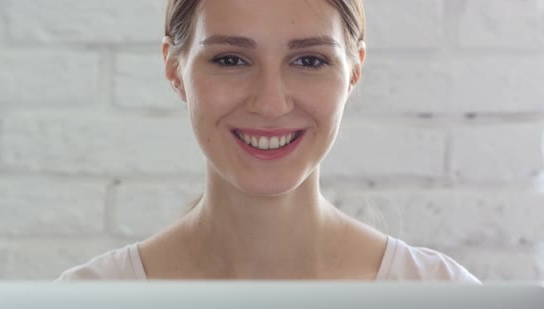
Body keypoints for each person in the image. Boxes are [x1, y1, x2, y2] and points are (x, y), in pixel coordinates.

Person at [57, 0, 480, 283]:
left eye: (309, 60)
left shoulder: (445, 299)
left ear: (353, 71)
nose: (271, 104)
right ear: (174, 68)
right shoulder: (82, 308)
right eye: (231, 59)